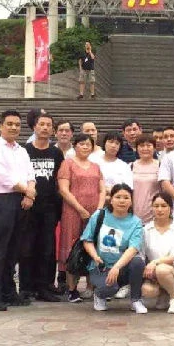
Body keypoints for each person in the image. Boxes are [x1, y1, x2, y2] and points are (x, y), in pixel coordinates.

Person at [0, 110, 37, 312]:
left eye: (17, 124)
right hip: (2, 201)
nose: (14, 127)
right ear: (0, 126)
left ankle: (9, 292)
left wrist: (29, 194)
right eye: (10, 124)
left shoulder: (22, 150)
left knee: (14, 250)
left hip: (22, 201)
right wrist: (27, 190)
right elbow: (2, 175)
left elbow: (30, 174)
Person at [82, 184, 148, 314]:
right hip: (100, 266)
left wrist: (117, 267)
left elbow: (133, 248)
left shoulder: (136, 222)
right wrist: (95, 256)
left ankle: (136, 300)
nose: (122, 201)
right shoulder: (99, 215)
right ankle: (99, 295)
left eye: (126, 197)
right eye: (118, 197)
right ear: (111, 200)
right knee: (110, 287)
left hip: (121, 267)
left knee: (138, 262)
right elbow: (87, 240)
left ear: (131, 201)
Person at [58, 133, 106, 303]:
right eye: (82, 144)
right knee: (72, 248)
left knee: (92, 246)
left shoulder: (96, 166)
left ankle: (91, 287)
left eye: (88, 144)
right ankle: (72, 289)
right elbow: (64, 190)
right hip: (73, 212)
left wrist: (99, 209)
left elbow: (102, 190)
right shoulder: (67, 164)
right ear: (75, 146)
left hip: (94, 213)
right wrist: (80, 208)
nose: (85, 147)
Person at [21, 112, 64, 302]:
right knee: (27, 247)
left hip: (49, 207)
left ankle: (45, 286)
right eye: (42, 124)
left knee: (47, 248)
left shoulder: (56, 153)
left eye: (48, 125)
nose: (45, 128)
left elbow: (59, 180)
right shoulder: (25, 151)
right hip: (28, 206)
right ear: (34, 127)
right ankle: (26, 287)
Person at [141, 192, 174, 313]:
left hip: (172, 271)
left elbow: (173, 257)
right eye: (156, 206)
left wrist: (154, 263)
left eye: (164, 206)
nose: (160, 209)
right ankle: (164, 294)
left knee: (162, 269)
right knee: (147, 291)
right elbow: (141, 253)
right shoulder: (146, 230)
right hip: (152, 273)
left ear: (170, 208)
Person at [90, 132, 133, 196]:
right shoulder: (93, 161)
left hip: (116, 199)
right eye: (111, 142)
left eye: (117, 143)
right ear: (104, 143)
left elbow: (128, 187)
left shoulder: (124, 166)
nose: (113, 146)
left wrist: (111, 191)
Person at [131, 135, 160, 224]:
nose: (145, 148)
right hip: (133, 214)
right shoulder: (130, 166)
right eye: (142, 146)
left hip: (155, 214)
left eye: (148, 145)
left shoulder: (161, 166)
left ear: (154, 148)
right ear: (136, 148)